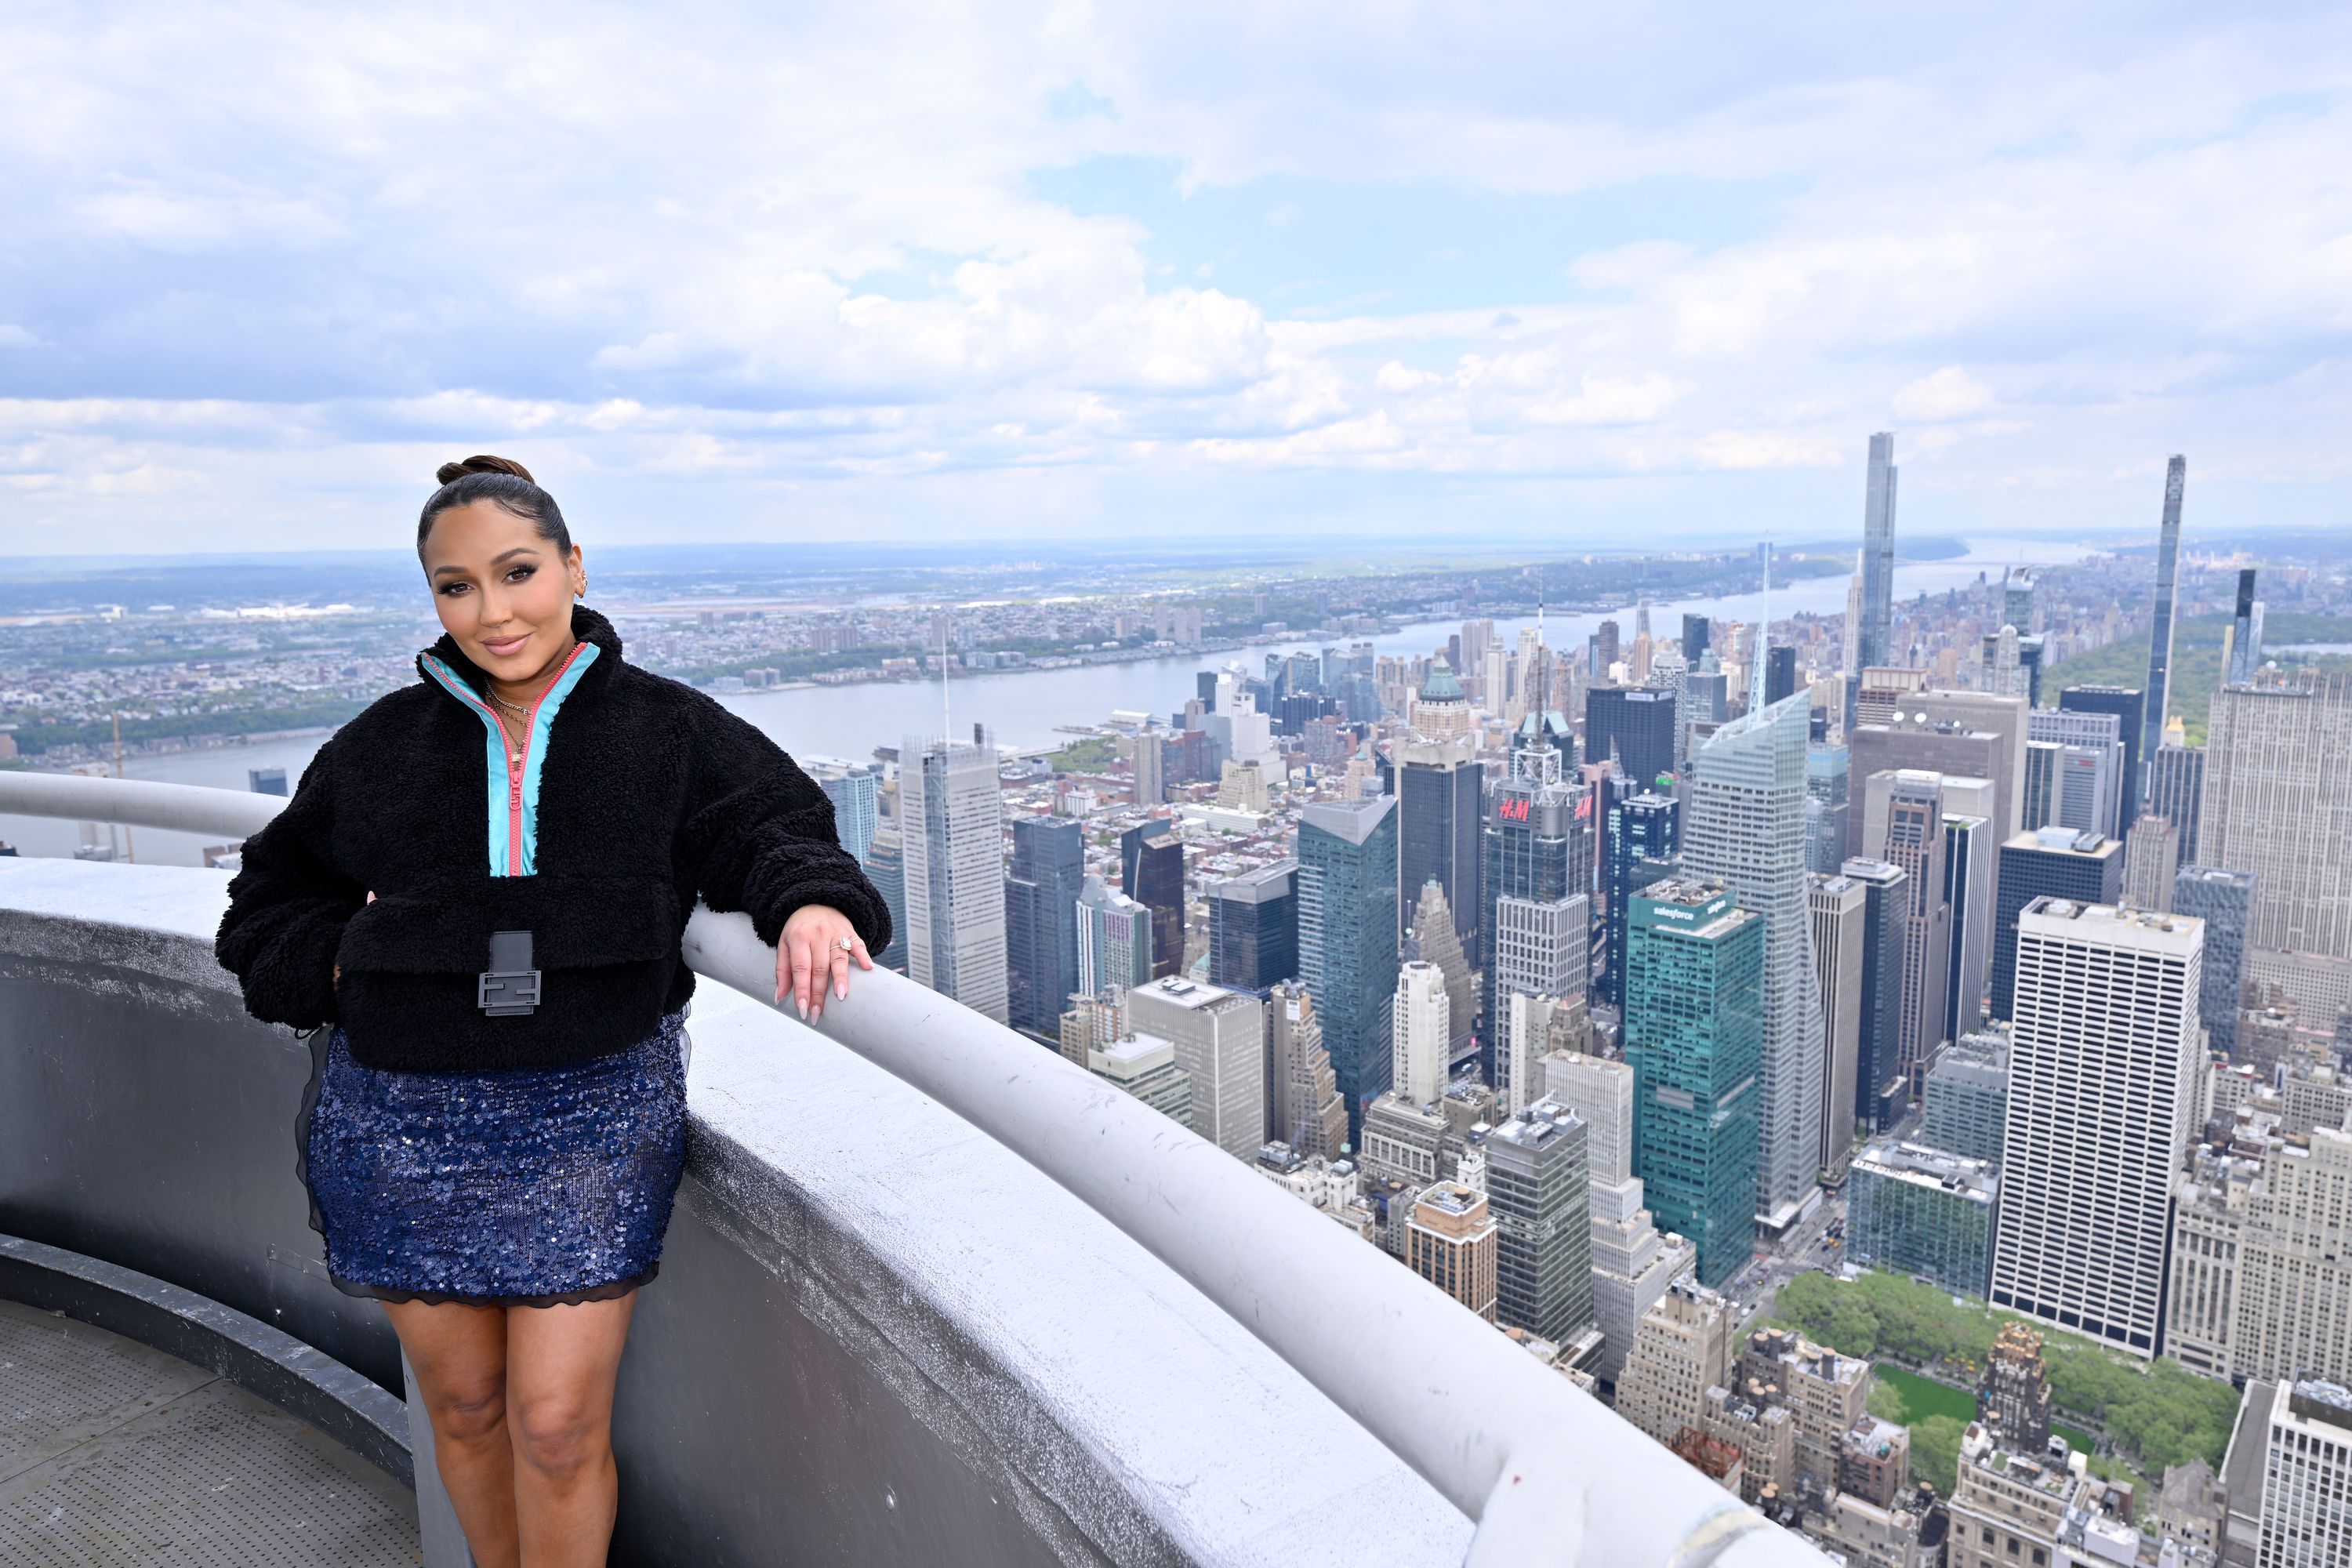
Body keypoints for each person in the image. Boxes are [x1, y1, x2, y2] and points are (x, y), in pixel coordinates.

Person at [216, 456, 890, 1567]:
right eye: (456, 586)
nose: (492, 610)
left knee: (556, 1422)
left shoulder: (667, 731)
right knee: (470, 1411)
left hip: (591, 1112)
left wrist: (813, 899)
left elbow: (773, 822)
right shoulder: (381, 747)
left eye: (518, 572)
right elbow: (270, 903)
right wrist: (346, 967)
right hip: (399, 1117)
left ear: (574, 566)